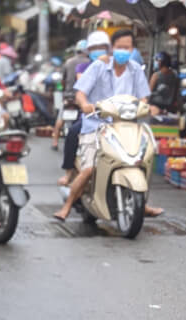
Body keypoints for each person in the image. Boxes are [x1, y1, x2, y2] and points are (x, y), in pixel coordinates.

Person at [54, 27, 163, 222]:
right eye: (119, 47)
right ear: (112, 48)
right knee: (90, 168)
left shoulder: (136, 69)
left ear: (132, 50)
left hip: (127, 125)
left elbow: (144, 97)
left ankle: (142, 203)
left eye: (127, 48)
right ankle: (68, 205)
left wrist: (146, 106)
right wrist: (85, 104)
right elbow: (80, 93)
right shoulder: (98, 67)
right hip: (96, 124)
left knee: (141, 161)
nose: (123, 51)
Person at [57, 33, 107, 185]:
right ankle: (68, 172)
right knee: (72, 133)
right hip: (91, 113)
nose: (99, 51)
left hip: (111, 115)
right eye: (95, 48)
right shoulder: (84, 66)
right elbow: (83, 87)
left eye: (102, 48)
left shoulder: (114, 67)